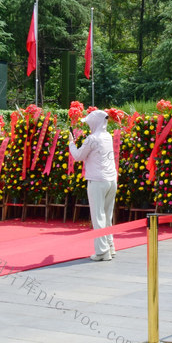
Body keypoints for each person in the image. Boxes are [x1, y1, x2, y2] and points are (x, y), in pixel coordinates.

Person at [68, 109, 118, 261]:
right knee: (107, 215)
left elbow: (77, 156)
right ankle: (110, 246)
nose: (89, 126)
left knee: (98, 216)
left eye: (90, 123)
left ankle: (102, 252)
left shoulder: (92, 139)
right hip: (111, 180)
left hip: (97, 181)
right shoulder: (108, 136)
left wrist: (71, 142)